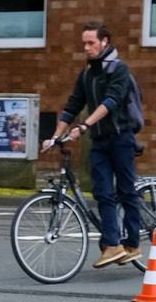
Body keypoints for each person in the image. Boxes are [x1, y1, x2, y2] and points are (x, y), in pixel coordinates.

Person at [52, 20, 147, 268]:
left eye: (91, 42)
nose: (86, 47)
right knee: (103, 192)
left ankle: (133, 243)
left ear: (105, 42)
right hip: (99, 142)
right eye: (84, 43)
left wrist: (85, 126)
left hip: (121, 138)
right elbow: (73, 105)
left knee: (126, 191)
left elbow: (111, 101)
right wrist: (55, 135)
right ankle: (113, 246)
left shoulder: (119, 70)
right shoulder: (87, 74)